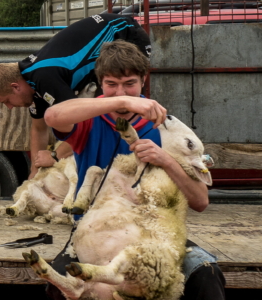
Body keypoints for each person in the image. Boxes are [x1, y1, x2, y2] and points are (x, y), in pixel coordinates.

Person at [43, 40, 225, 300]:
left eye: (129, 83)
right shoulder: (87, 119)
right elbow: (52, 116)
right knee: (57, 287)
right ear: (100, 83)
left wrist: (166, 160)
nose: (120, 92)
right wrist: (125, 100)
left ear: (143, 80)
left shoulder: (163, 126)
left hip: (152, 233)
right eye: (111, 84)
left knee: (205, 272)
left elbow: (200, 201)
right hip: (97, 231)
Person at [0, 13, 151, 179]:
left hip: (127, 36)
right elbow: (39, 128)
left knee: (113, 109)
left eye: (6, 101)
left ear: (15, 87)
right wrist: (34, 173)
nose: (9, 107)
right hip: (106, 48)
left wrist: (55, 156)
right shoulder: (33, 84)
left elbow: (83, 126)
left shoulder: (44, 76)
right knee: (104, 109)